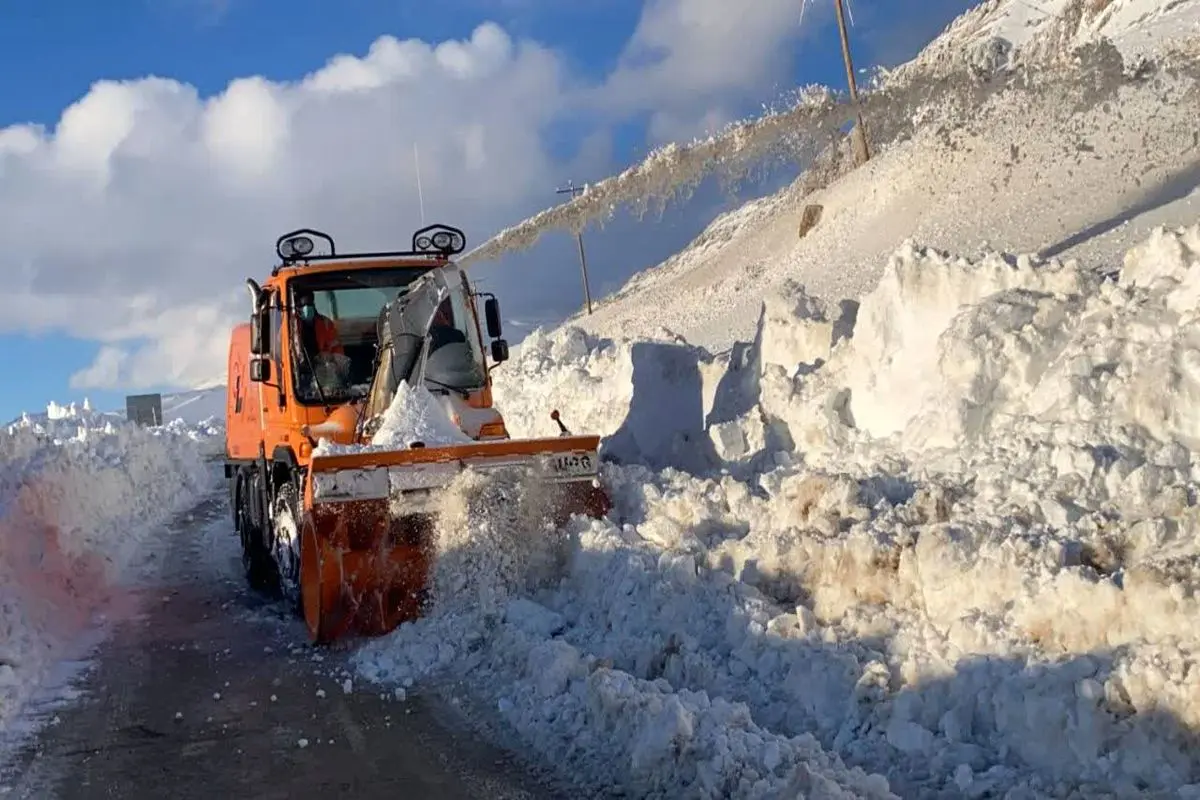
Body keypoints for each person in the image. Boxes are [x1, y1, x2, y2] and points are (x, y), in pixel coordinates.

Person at [293, 289, 343, 356]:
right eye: (302, 305)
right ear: (297, 307)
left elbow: (337, 348)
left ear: (313, 304)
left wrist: (332, 362)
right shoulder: (291, 324)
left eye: (309, 304)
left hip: (323, 364)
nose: (306, 308)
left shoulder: (326, 323)